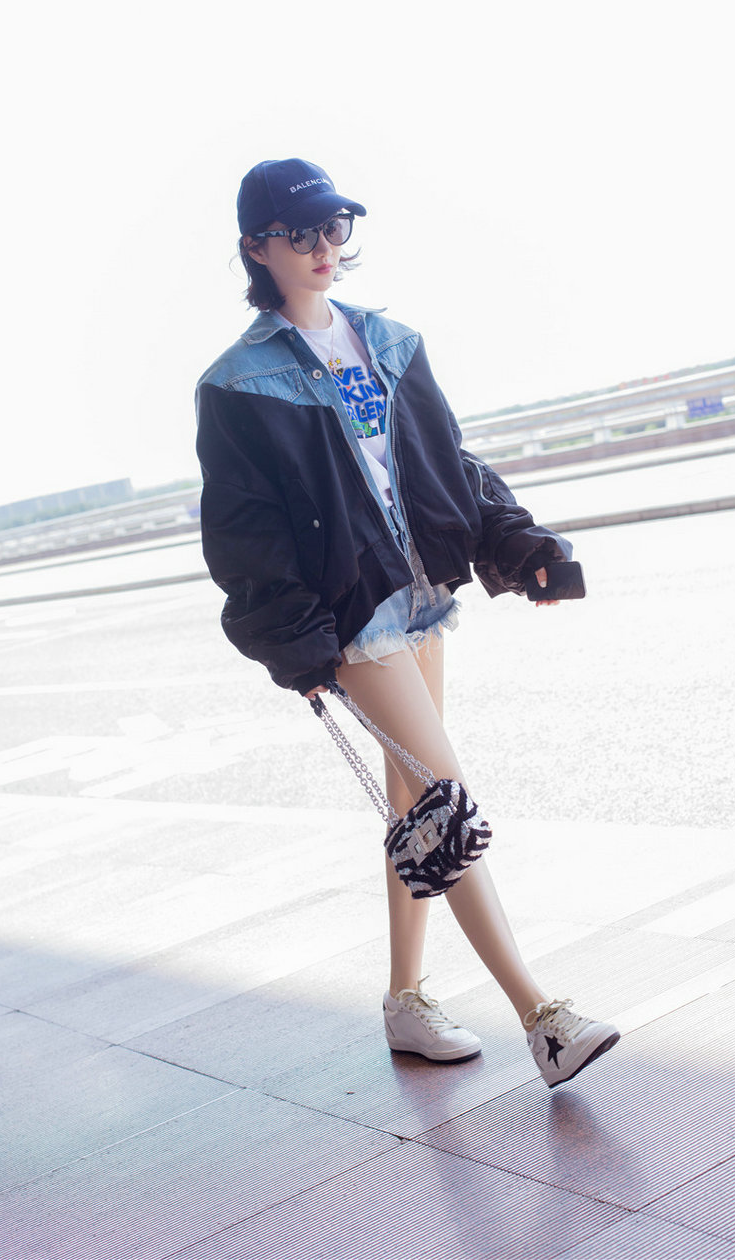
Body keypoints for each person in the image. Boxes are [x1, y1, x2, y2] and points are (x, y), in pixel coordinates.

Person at [195, 157, 619, 1088]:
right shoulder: (236, 384)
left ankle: (404, 1000)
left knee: (414, 804)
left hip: (422, 594)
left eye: (333, 227)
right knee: (445, 798)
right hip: (350, 614)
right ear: (256, 247)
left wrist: (519, 546)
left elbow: (449, 465)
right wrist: (296, 641)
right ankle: (542, 1017)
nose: (322, 247)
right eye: (298, 233)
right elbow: (243, 532)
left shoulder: (389, 340)